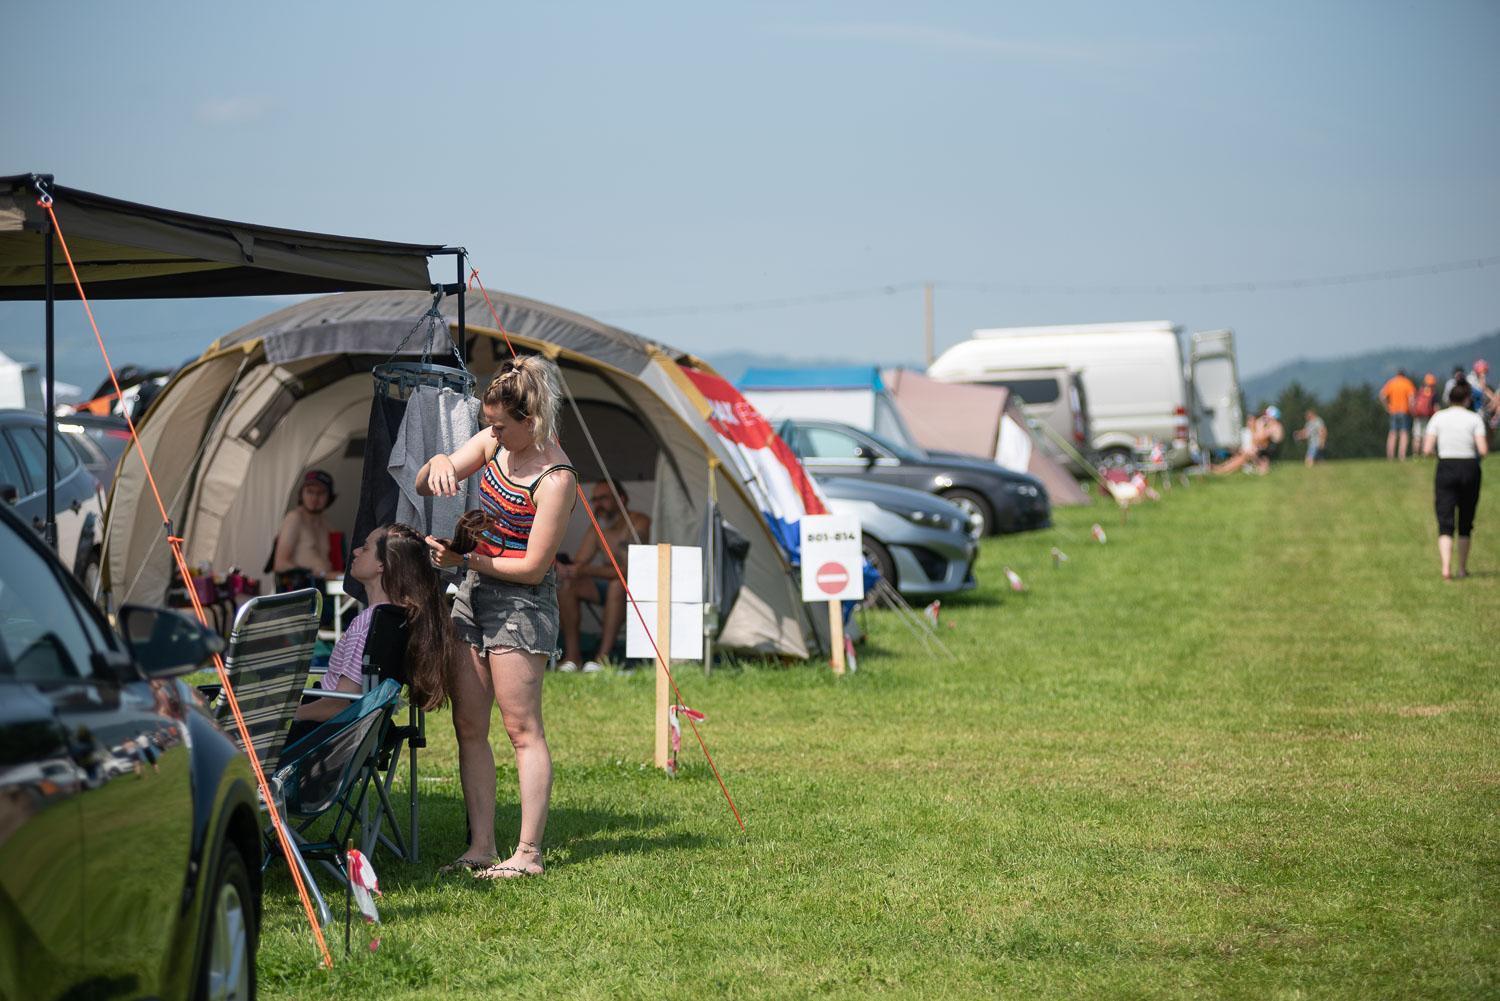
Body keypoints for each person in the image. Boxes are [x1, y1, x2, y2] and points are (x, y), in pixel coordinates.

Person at [418, 356, 577, 879]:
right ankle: (481, 846)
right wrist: (438, 461)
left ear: (530, 421)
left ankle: (528, 854)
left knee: (521, 728)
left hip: (521, 603)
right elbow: (425, 483)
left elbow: (533, 569)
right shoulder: (492, 444)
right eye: (489, 424)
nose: (491, 433)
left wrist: (464, 560)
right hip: (475, 592)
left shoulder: (556, 478)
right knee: (469, 725)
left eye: (500, 425)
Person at [292, 523, 456, 731]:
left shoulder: (368, 623)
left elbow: (339, 704)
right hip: (358, 731)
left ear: (382, 565)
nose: (355, 551)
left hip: (322, 733)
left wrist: (285, 718)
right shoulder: (400, 617)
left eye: (366, 548)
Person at [557, 480, 651, 673]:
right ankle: (572, 658)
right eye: (595, 500)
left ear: (621, 499)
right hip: (607, 584)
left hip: (640, 588)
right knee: (569, 585)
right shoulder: (597, 528)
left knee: (618, 584)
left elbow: (628, 571)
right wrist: (566, 568)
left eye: (603, 498)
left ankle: (602, 659)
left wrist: (585, 570)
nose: (598, 504)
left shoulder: (639, 522)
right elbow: (579, 564)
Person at [1423, 381, 1488, 580]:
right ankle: (1461, 568)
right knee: (1466, 520)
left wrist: (1441, 455)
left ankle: (1445, 568)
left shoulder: (1438, 417)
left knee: (1445, 520)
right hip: (1469, 467)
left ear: (1449, 398)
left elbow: (1427, 450)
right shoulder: (1474, 418)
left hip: (1446, 466)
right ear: (1467, 399)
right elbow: (1483, 450)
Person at [273, 470, 337, 586]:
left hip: (326, 587)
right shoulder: (294, 518)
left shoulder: (326, 524)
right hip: (304, 589)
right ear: (301, 493)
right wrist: (314, 574)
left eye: (321, 493)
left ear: (329, 497)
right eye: (310, 491)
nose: (315, 497)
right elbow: (280, 564)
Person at [1379, 369, 1417, 462]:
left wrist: (1387, 407)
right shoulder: (1407, 383)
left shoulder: (1392, 382)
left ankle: (1390, 456)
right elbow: (1411, 398)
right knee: (1404, 434)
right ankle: (1402, 456)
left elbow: (1382, 396)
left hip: (1393, 411)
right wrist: (1412, 410)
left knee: (1392, 434)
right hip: (1404, 411)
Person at [1254, 406, 1284, 473]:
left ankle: (1261, 469)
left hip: (1270, 448)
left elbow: (1261, 436)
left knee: (1256, 450)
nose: (1265, 417)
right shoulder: (1276, 425)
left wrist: (1259, 425)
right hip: (1270, 447)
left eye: (1267, 416)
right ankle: (1260, 468)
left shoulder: (1275, 426)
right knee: (1257, 449)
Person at [1411, 374, 1437, 449]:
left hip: (1418, 416)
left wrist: (1413, 412)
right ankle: (1424, 453)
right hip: (1428, 417)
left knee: (1417, 436)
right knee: (1426, 435)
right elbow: (1436, 407)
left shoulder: (1420, 391)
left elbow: (1413, 402)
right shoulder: (1433, 393)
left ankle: (1415, 455)